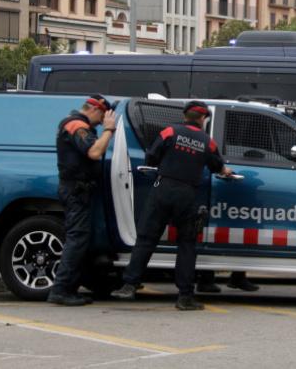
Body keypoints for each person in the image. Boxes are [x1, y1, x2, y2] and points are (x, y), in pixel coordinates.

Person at [112, 101, 234, 310]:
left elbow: (151, 156)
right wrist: (226, 171)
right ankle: (185, 297)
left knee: (146, 239)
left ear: (186, 115)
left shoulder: (169, 131)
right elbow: (217, 166)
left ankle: (129, 286)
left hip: (162, 189)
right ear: (204, 119)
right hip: (187, 195)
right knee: (186, 245)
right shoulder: (208, 141)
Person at [48, 95, 117, 306]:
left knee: (81, 239)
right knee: (77, 239)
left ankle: (72, 287)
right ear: (96, 110)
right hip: (75, 191)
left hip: (80, 191)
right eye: (104, 115)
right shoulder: (76, 125)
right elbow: (95, 152)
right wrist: (108, 130)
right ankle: (60, 290)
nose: (104, 119)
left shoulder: (78, 124)